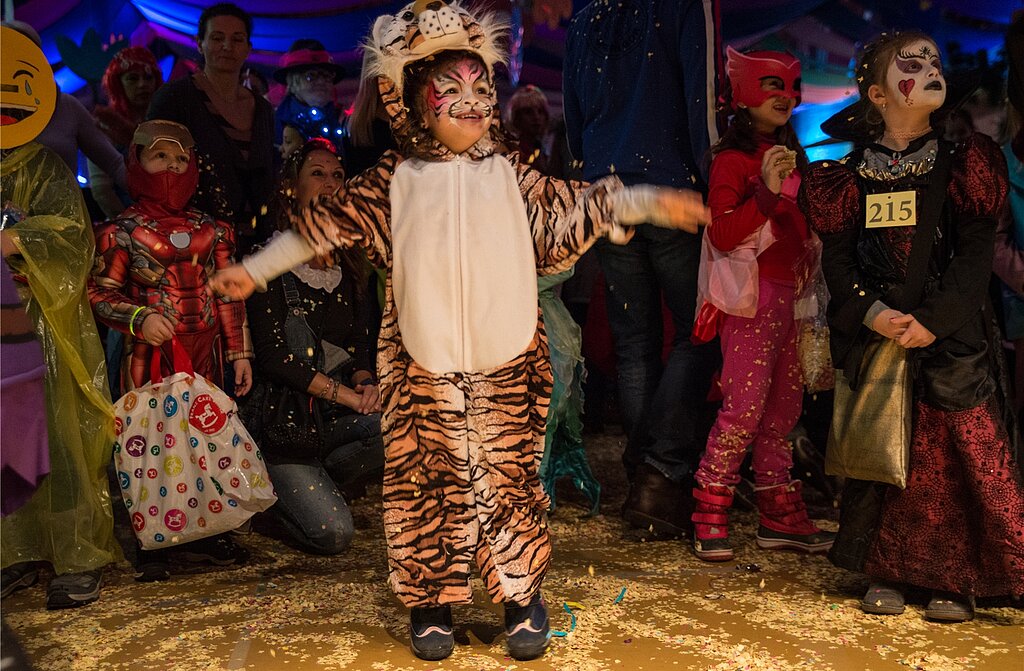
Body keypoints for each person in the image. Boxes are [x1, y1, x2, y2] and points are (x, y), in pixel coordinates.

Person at [210, 1, 708, 661]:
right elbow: (319, 228)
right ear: (415, 103)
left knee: (509, 482)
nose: (472, 102)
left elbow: (584, 203)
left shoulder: (513, 177)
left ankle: (521, 595)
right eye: (451, 90)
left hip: (506, 360)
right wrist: (252, 271)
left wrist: (650, 200)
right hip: (424, 366)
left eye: (481, 87)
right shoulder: (394, 182)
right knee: (427, 484)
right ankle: (431, 601)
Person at [800, 31, 1024, 622]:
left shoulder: (967, 164)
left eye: (934, 60)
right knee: (882, 455)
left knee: (954, 452)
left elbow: (975, 259)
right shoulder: (845, 177)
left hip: (951, 340)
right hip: (879, 340)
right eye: (912, 63)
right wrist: (871, 313)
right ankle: (888, 570)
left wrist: (934, 320)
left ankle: (956, 577)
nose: (929, 68)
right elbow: (839, 263)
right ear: (878, 94)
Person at [562, 0, 722, 536]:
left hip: (607, 192)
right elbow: (702, 100)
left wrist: (591, 188)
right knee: (700, 333)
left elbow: (573, 119)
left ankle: (643, 477)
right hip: (674, 189)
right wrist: (716, 181)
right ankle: (660, 473)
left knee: (635, 343)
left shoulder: (586, 16)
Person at [87, 119, 254, 580]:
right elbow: (98, 293)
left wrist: (239, 352)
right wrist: (139, 318)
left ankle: (209, 529)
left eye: (181, 158)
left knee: (208, 437)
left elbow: (229, 293)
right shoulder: (120, 232)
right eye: (160, 156)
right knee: (151, 442)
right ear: (136, 161)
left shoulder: (213, 230)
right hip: (150, 356)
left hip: (206, 353)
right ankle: (154, 538)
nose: (172, 167)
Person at [687, 48, 835, 562]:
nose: (786, 96)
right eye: (773, 85)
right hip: (751, 301)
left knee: (782, 412)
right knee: (743, 411)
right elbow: (723, 234)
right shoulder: (731, 161)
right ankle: (709, 509)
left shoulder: (795, 156)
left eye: (792, 87)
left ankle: (778, 514)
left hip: (795, 300)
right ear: (745, 94)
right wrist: (768, 193)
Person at [0, 25, 119, 609]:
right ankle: (16, 549)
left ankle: (77, 554)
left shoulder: (45, 168)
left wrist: (16, 242)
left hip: (43, 323)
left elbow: (74, 236)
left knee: (61, 435)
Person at [243, 138, 383, 554]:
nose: (330, 183)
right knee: (333, 535)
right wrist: (347, 395)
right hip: (283, 427)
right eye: (317, 174)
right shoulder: (267, 260)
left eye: (338, 175)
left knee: (400, 424)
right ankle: (275, 495)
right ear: (292, 188)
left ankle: (322, 480)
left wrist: (366, 384)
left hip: (329, 422)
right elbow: (273, 358)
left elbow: (358, 344)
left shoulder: (349, 264)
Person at [147, 3, 274, 254]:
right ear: (199, 44)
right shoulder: (175, 98)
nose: (227, 46)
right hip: (193, 242)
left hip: (257, 244)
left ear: (248, 48)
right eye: (217, 38)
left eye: (237, 39)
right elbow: (152, 167)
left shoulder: (263, 109)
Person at [90, 47, 162, 218]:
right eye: (133, 78)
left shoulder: (169, 120)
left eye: (148, 77)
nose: (142, 84)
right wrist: (129, 223)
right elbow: (102, 190)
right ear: (117, 83)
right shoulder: (107, 125)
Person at [273, 39, 347, 155]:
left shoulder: (341, 119)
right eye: (311, 76)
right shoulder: (275, 122)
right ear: (292, 82)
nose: (321, 82)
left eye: (327, 76)